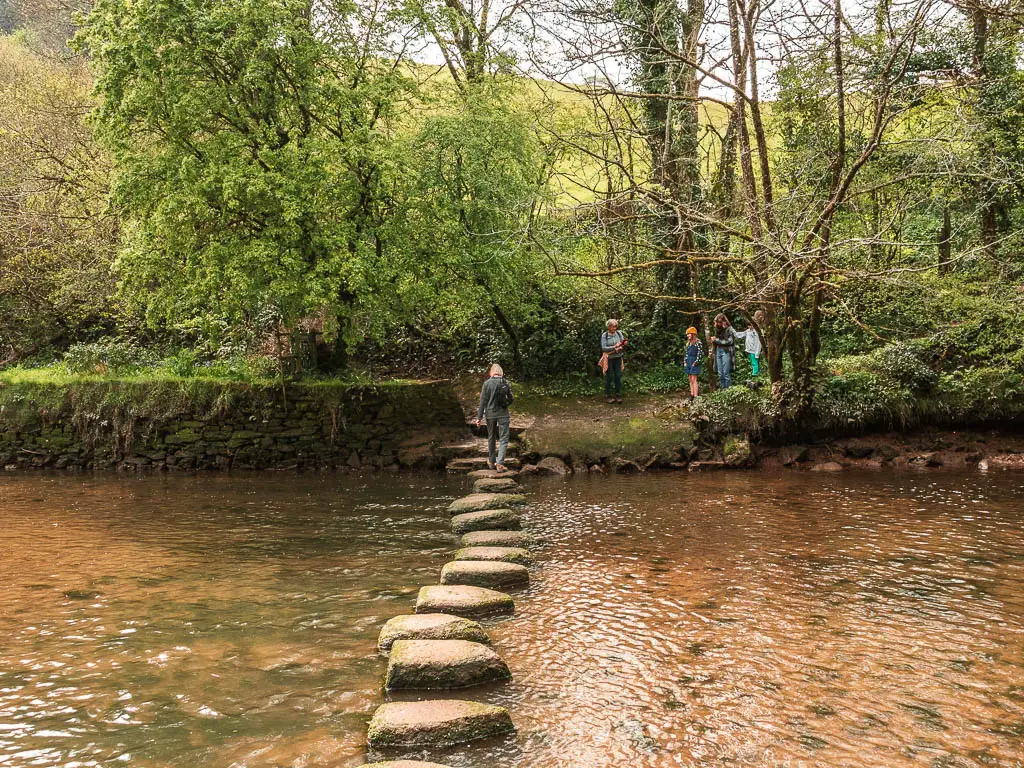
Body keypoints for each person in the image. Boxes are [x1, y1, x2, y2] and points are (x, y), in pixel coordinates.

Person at [474, 363, 513, 472]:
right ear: (501, 372)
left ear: (491, 372)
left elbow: (483, 401)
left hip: (490, 414)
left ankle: (491, 462)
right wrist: (505, 405)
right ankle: (500, 463)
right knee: (504, 438)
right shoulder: (506, 383)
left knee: (491, 437)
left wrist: (479, 417)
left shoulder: (487, 384)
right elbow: (511, 398)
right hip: (503, 414)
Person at [599, 318, 627, 403]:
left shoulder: (619, 333)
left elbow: (622, 343)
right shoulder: (605, 335)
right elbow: (604, 348)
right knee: (609, 376)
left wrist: (622, 345)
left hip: (618, 357)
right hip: (609, 359)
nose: (614, 328)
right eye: (613, 327)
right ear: (608, 327)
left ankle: (618, 395)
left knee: (618, 376)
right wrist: (614, 347)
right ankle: (608, 395)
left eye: (615, 326)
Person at [710, 313, 736, 389]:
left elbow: (730, 341)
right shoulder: (717, 328)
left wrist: (717, 340)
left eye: (719, 322)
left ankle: (729, 391)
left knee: (726, 373)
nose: (718, 324)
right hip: (718, 350)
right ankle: (722, 391)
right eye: (717, 322)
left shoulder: (729, 329)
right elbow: (717, 340)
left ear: (724, 321)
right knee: (720, 373)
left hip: (726, 351)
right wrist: (713, 340)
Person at [736, 310, 764, 378]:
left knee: (755, 362)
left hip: (755, 350)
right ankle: (755, 374)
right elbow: (740, 334)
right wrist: (733, 332)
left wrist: (757, 353)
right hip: (751, 350)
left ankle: (755, 375)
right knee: (753, 362)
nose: (750, 327)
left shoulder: (757, 332)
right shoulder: (748, 331)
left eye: (751, 325)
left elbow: (758, 343)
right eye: (748, 325)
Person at [684, 327, 703, 399]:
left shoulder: (698, 343)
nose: (687, 335)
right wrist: (685, 361)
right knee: (690, 379)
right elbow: (686, 353)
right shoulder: (688, 343)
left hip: (694, 362)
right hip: (688, 361)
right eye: (687, 334)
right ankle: (691, 395)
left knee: (694, 379)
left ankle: (696, 396)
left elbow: (700, 354)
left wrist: (696, 362)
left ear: (693, 334)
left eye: (688, 334)